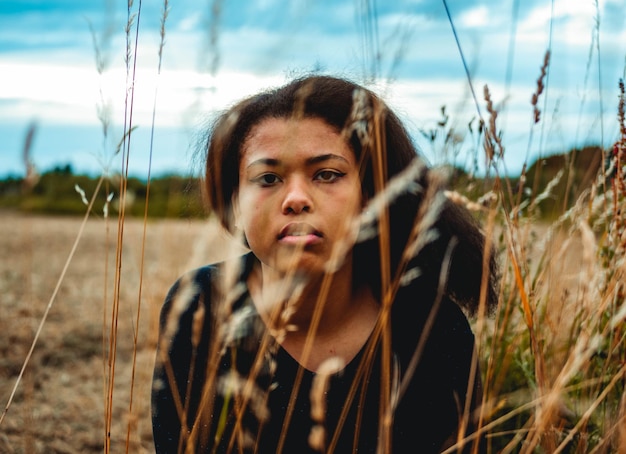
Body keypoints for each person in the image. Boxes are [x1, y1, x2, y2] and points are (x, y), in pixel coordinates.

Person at [151, 74, 499, 453]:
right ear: (235, 206)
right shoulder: (202, 306)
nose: (296, 198)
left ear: (371, 197)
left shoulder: (432, 328)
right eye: (267, 178)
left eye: (327, 174)